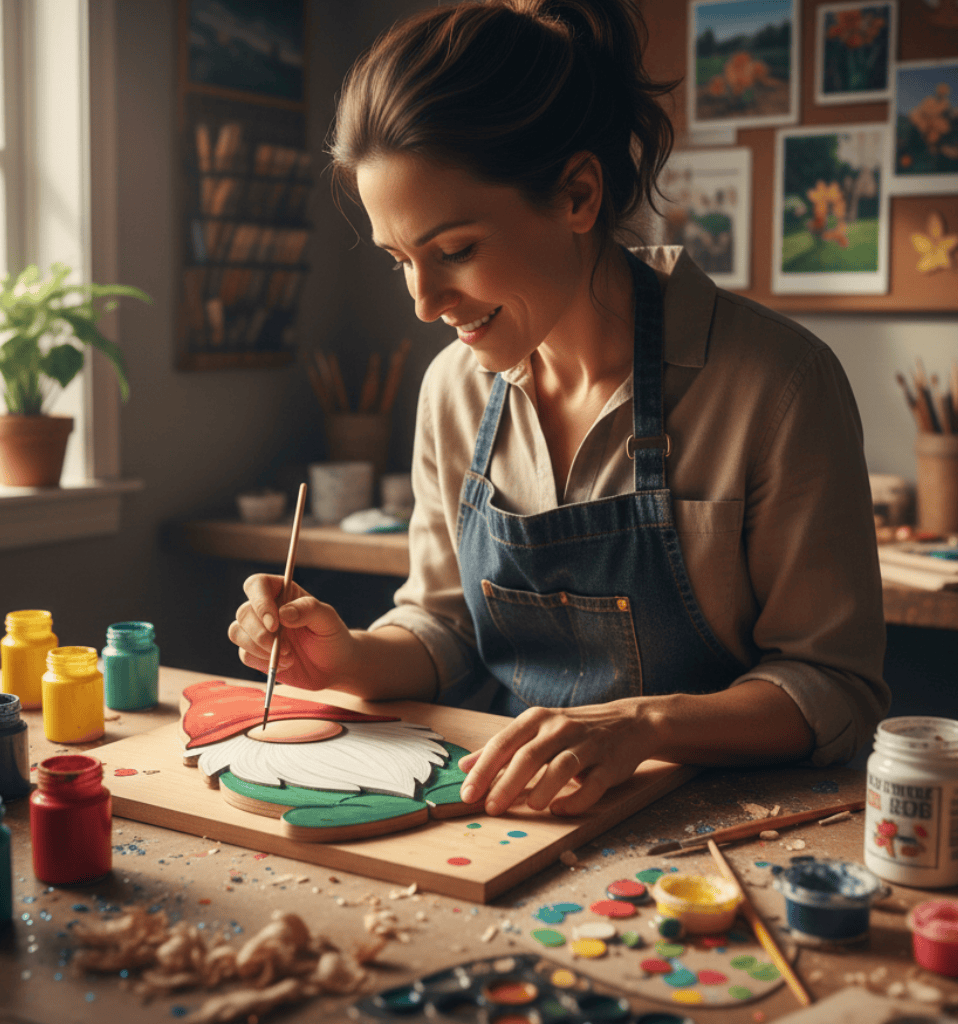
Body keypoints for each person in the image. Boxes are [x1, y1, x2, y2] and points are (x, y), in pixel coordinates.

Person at [229, 0, 889, 820]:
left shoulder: (777, 385)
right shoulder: (453, 389)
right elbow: (445, 627)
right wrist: (348, 658)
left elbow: (833, 685)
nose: (424, 303)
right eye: (400, 260)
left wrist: (642, 726)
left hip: (719, 834)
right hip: (509, 817)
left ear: (578, 194)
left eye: (455, 251)